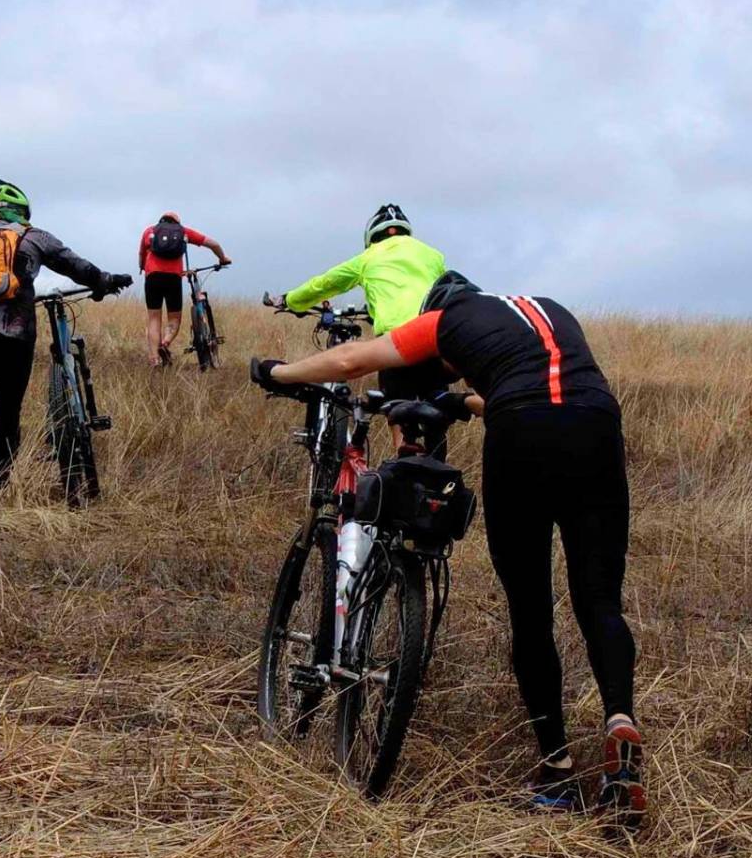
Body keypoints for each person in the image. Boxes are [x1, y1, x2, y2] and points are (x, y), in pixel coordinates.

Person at [249, 273, 644, 826]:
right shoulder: (547, 309)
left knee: (530, 611)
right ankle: (619, 722)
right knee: (600, 601)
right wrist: (464, 402)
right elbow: (542, 384)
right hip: (597, 424)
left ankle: (556, 772)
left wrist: (276, 371)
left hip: (522, 435)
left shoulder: (442, 323)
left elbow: (350, 362)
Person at [0, 178, 131, 501]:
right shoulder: (33, 237)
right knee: (9, 410)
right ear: (21, 211)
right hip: (17, 334)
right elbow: (74, 265)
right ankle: (2, 480)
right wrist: (105, 281)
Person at [276, 203, 453, 453]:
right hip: (435, 335)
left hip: (398, 339)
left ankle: (404, 461)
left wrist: (290, 300)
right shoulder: (433, 255)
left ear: (372, 236)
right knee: (436, 409)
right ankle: (438, 481)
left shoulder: (369, 257)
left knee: (398, 409)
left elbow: (325, 284)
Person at [138, 212, 229, 366]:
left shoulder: (150, 231)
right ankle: (165, 343)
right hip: (173, 278)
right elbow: (213, 244)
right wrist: (223, 258)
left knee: (154, 318)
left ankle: (154, 359)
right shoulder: (183, 232)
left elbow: (141, 255)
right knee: (174, 318)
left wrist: (142, 267)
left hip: (152, 276)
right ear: (177, 222)